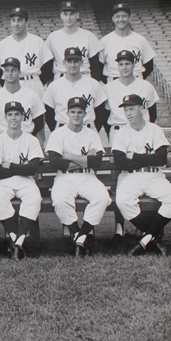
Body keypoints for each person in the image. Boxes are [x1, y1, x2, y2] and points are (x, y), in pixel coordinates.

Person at [112, 94, 171, 256]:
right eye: (126, 110)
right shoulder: (122, 133)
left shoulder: (155, 130)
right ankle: (153, 237)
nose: (128, 113)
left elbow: (161, 158)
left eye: (132, 108)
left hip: (154, 176)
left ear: (142, 109)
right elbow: (120, 162)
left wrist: (134, 156)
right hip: (130, 176)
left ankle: (145, 238)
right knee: (123, 201)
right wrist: (148, 159)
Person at [45, 97, 112, 258]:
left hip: (87, 176)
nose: (76, 115)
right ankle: (78, 235)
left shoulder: (91, 134)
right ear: (67, 113)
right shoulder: (58, 134)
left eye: (79, 112)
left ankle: (80, 236)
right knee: (60, 200)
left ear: (85, 114)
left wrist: (68, 156)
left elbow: (96, 162)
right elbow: (55, 162)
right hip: (65, 177)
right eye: (73, 112)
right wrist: (84, 160)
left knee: (102, 198)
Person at [0, 101, 44, 260]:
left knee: (34, 198)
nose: (13, 118)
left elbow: (33, 169)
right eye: (10, 114)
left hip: (26, 180)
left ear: (23, 117)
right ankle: (18, 241)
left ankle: (16, 242)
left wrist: (10, 165)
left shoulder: (31, 140)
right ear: (4, 117)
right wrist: (21, 167)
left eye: (17, 114)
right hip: (3, 182)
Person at [42, 47, 108, 133]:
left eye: (76, 61)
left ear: (82, 62)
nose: (73, 65)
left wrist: (91, 130)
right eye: (69, 61)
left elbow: (100, 113)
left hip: (88, 129)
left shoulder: (94, 84)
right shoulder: (54, 86)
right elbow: (49, 114)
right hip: (62, 129)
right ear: (64, 62)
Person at [0, 7, 53, 98]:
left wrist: (37, 82)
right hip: (11, 85)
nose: (16, 24)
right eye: (13, 20)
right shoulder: (2, 45)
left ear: (26, 22)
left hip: (32, 82)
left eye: (20, 20)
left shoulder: (37, 42)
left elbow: (48, 66)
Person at [104, 50, 159, 143]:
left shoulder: (146, 86)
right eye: (121, 64)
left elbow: (153, 113)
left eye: (127, 64)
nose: (124, 67)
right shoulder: (108, 88)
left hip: (141, 131)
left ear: (133, 65)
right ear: (117, 66)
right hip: (118, 130)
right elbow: (104, 115)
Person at [0, 57, 46, 138]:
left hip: (26, 138)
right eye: (7, 70)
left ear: (19, 73)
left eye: (13, 70)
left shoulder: (31, 95)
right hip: (2, 139)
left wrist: (29, 136)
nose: (10, 73)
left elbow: (39, 122)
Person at [45, 1, 104, 79]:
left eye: (72, 14)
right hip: (61, 77)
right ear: (61, 16)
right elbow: (47, 65)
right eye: (65, 14)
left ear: (77, 15)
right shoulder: (52, 37)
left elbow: (95, 66)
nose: (68, 18)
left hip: (84, 77)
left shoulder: (89, 36)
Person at [99, 3, 156, 82]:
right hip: (113, 80)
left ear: (129, 18)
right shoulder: (104, 41)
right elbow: (99, 67)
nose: (121, 19)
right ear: (113, 18)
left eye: (124, 16)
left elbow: (149, 66)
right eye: (118, 16)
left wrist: (138, 80)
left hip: (136, 80)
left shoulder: (140, 39)